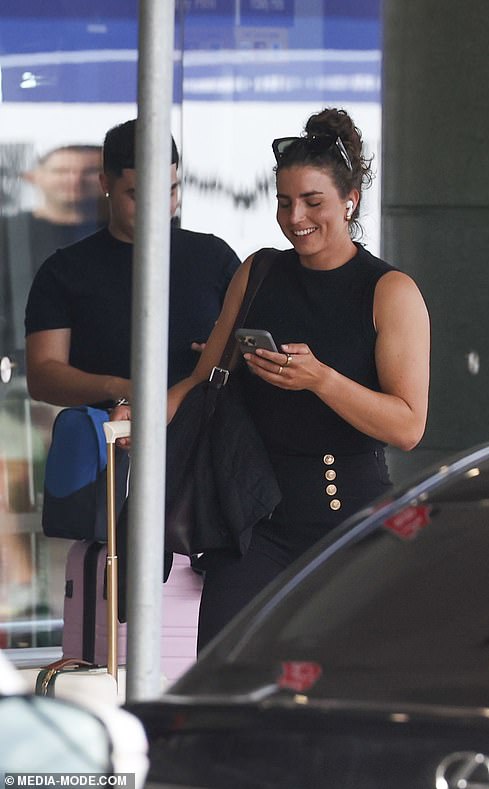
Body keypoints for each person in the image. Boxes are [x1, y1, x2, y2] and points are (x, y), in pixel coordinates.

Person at [117, 107, 430, 652]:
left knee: (330, 686)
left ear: (350, 200)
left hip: (346, 518)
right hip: (253, 514)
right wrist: (138, 413)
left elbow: (407, 426)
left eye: (314, 202)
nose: (295, 217)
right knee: (222, 667)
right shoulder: (259, 270)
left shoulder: (388, 290)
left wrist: (321, 380)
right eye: (284, 202)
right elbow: (201, 381)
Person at [24, 119, 240, 408]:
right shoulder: (64, 271)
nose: (158, 208)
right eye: (138, 196)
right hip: (109, 443)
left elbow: (252, 346)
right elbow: (42, 376)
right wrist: (118, 387)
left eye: (170, 191)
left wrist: (224, 356)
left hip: (203, 439)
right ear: (105, 184)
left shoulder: (214, 256)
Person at [1, 145, 105, 358]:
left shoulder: (133, 234)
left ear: (107, 180)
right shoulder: (7, 233)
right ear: (32, 177)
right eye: (61, 171)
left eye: (90, 172)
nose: (75, 180)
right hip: (18, 364)